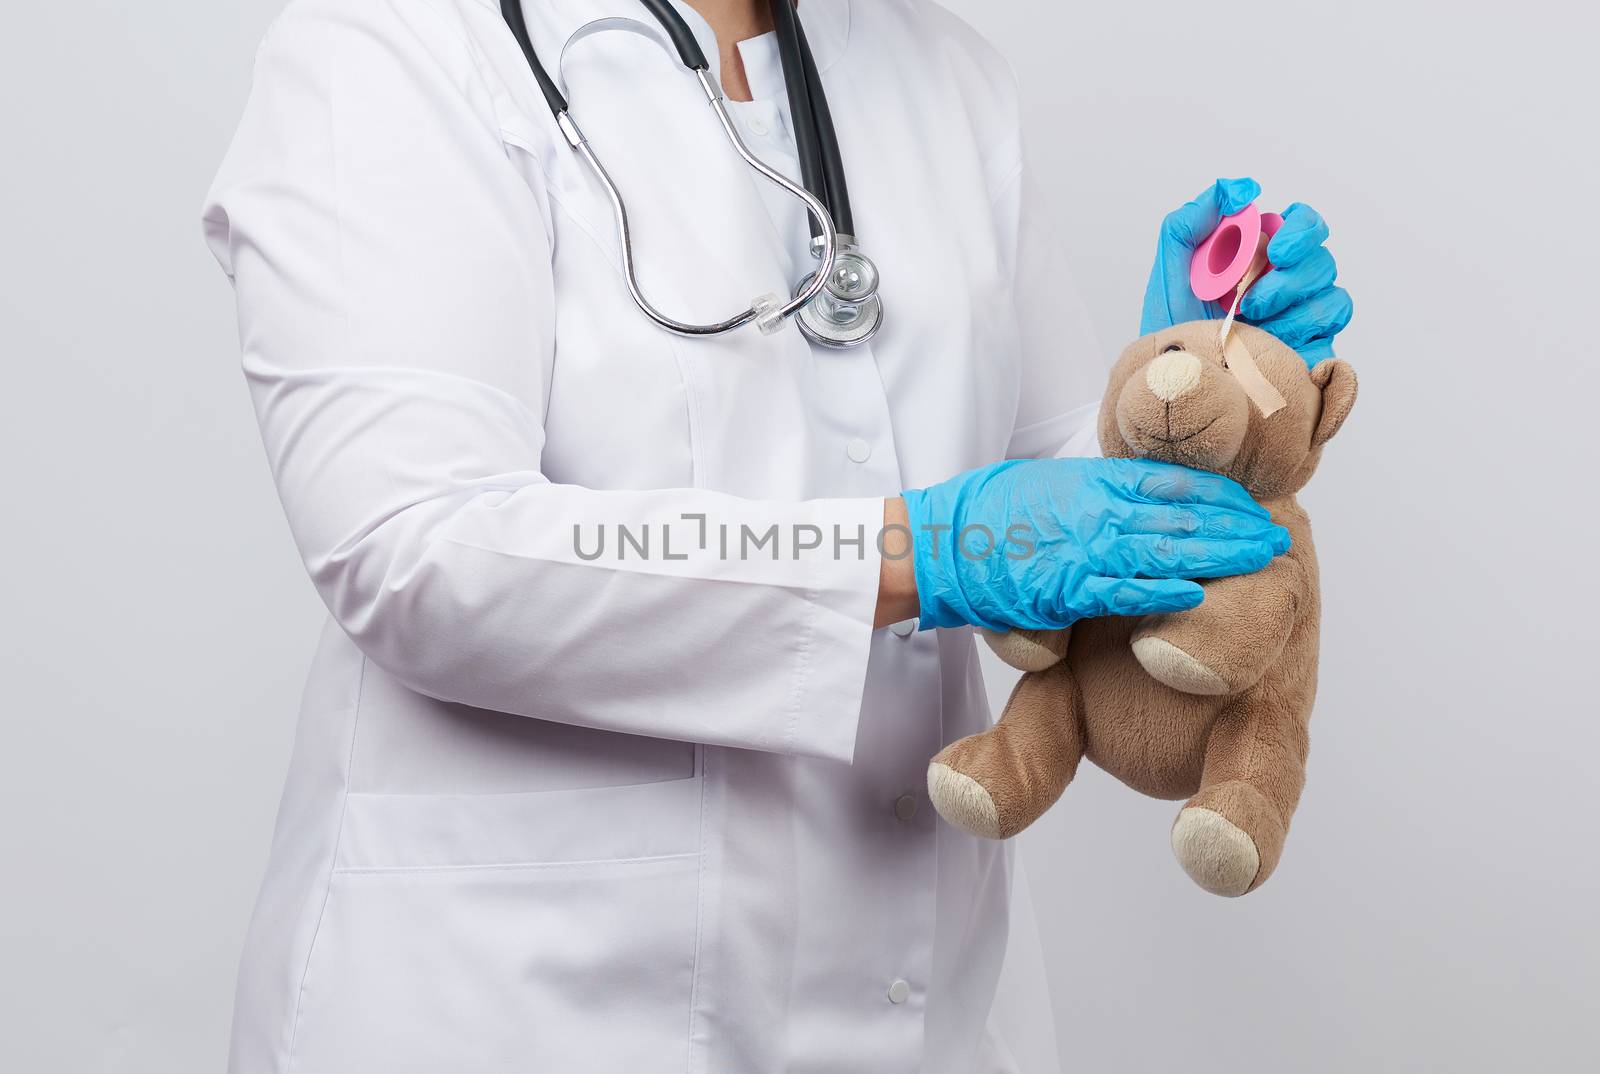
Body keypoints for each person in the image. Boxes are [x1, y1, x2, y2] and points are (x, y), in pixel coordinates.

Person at [201, 0, 1349, 1070]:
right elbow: (417, 547)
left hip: (922, 999)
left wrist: (1182, 404)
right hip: (516, 999)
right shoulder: (393, 47)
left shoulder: (939, 75)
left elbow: (1073, 528)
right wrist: (918, 558)